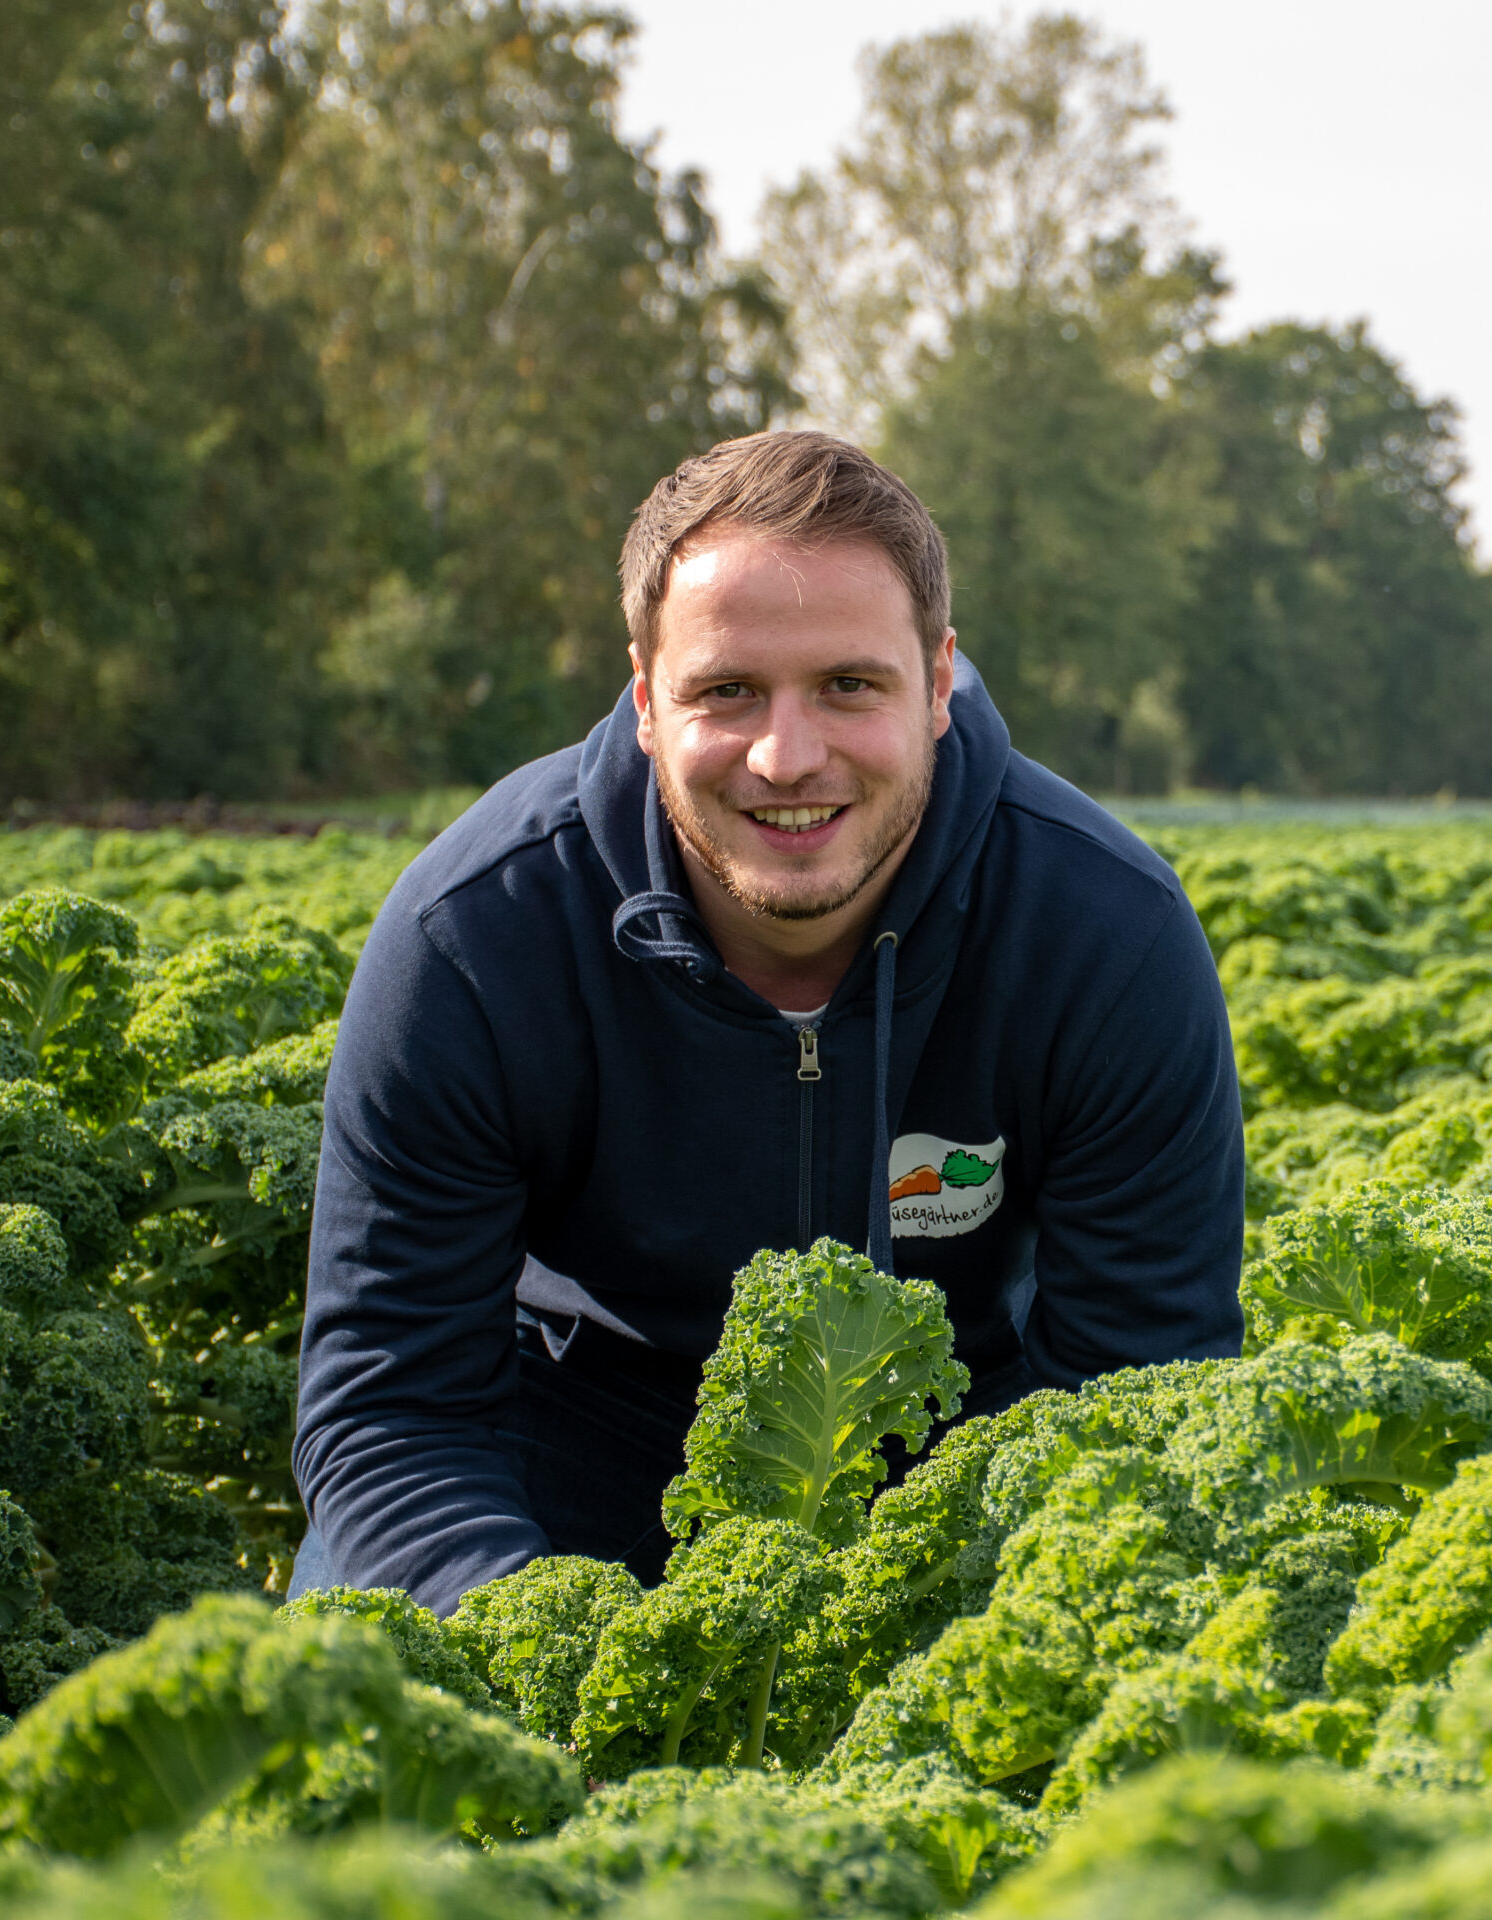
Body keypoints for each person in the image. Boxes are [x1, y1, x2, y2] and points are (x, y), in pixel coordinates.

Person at [290, 431, 1244, 1611]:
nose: (787, 758)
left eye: (850, 685)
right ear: (646, 701)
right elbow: (392, 1409)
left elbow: (1138, 1392)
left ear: (940, 684)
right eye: (727, 692)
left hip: (960, 1469)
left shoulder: (1107, 936)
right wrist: (534, 1647)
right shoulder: (476, 938)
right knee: (369, 1699)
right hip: (567, 1454)